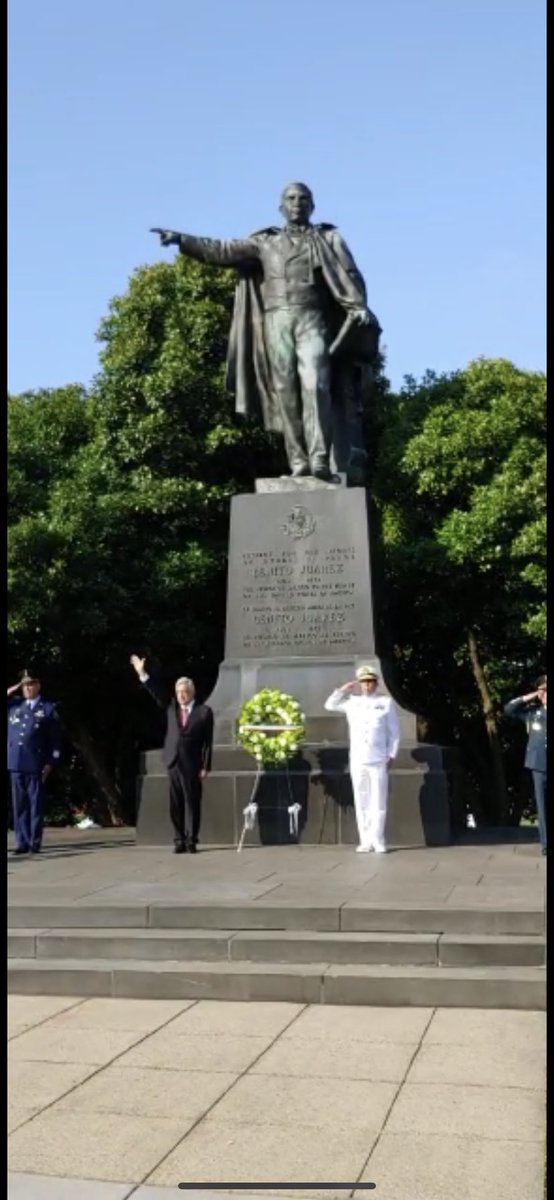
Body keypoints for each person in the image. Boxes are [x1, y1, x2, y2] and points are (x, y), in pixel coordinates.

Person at [151, 182, 381, 482]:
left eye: (303, 198)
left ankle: (320, 457)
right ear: (281, 207)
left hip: (313, 318)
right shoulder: (265, 242)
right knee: (286, 390)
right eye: (291, 198)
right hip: (276, 321)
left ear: (312, 206)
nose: (297, 202)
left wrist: (357, 305)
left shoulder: (327, 238)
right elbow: (221, 250)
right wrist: (182, 240)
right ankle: (299, 462)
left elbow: (349, 274)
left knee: (316, 384)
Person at [130, 655, 214, 853]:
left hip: (193, 764)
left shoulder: (204, 712)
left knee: (192, 802)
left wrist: (205, 766)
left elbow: (207, 742)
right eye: (178, 692)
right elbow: (156, 693)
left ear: (192, 693)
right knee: (175, 803)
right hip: (173, 761)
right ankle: (179, 840)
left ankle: (192, 839)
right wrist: (142, 673)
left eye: (185, 692)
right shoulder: (171, 708)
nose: (181, 695)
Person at [325, 665, 400, 853]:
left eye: (370, 682)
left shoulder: (385, 703)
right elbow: (330, 705)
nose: (367, 686)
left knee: (378, 801)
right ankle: (365, 840)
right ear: (360, 684)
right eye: (364, 682)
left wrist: (392, 754)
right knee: (362, 799)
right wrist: (343, 690)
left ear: (376, 683)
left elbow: (394, 732)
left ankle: (378, 839)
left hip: (378, 758)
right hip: (358, 758)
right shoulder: (352, 702)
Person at [7, 669, 61, 855]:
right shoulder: (14, 705)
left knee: (35, 804)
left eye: (31, 684)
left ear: (38, 686)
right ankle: (21, 842)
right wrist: (12, 689)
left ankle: (34, 842)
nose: (28, 688)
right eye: (25, 685)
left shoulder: (48, 708)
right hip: (15, 762)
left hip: (35, 763)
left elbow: (55, 739)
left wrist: (51, 762)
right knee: (19, 805)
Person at [504, 675, 547, 855]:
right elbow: (509, 709)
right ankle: (546, 843)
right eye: (544, 691)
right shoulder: (532, 713)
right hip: (539, 764)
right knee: (542, 806)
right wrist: (531, 696)